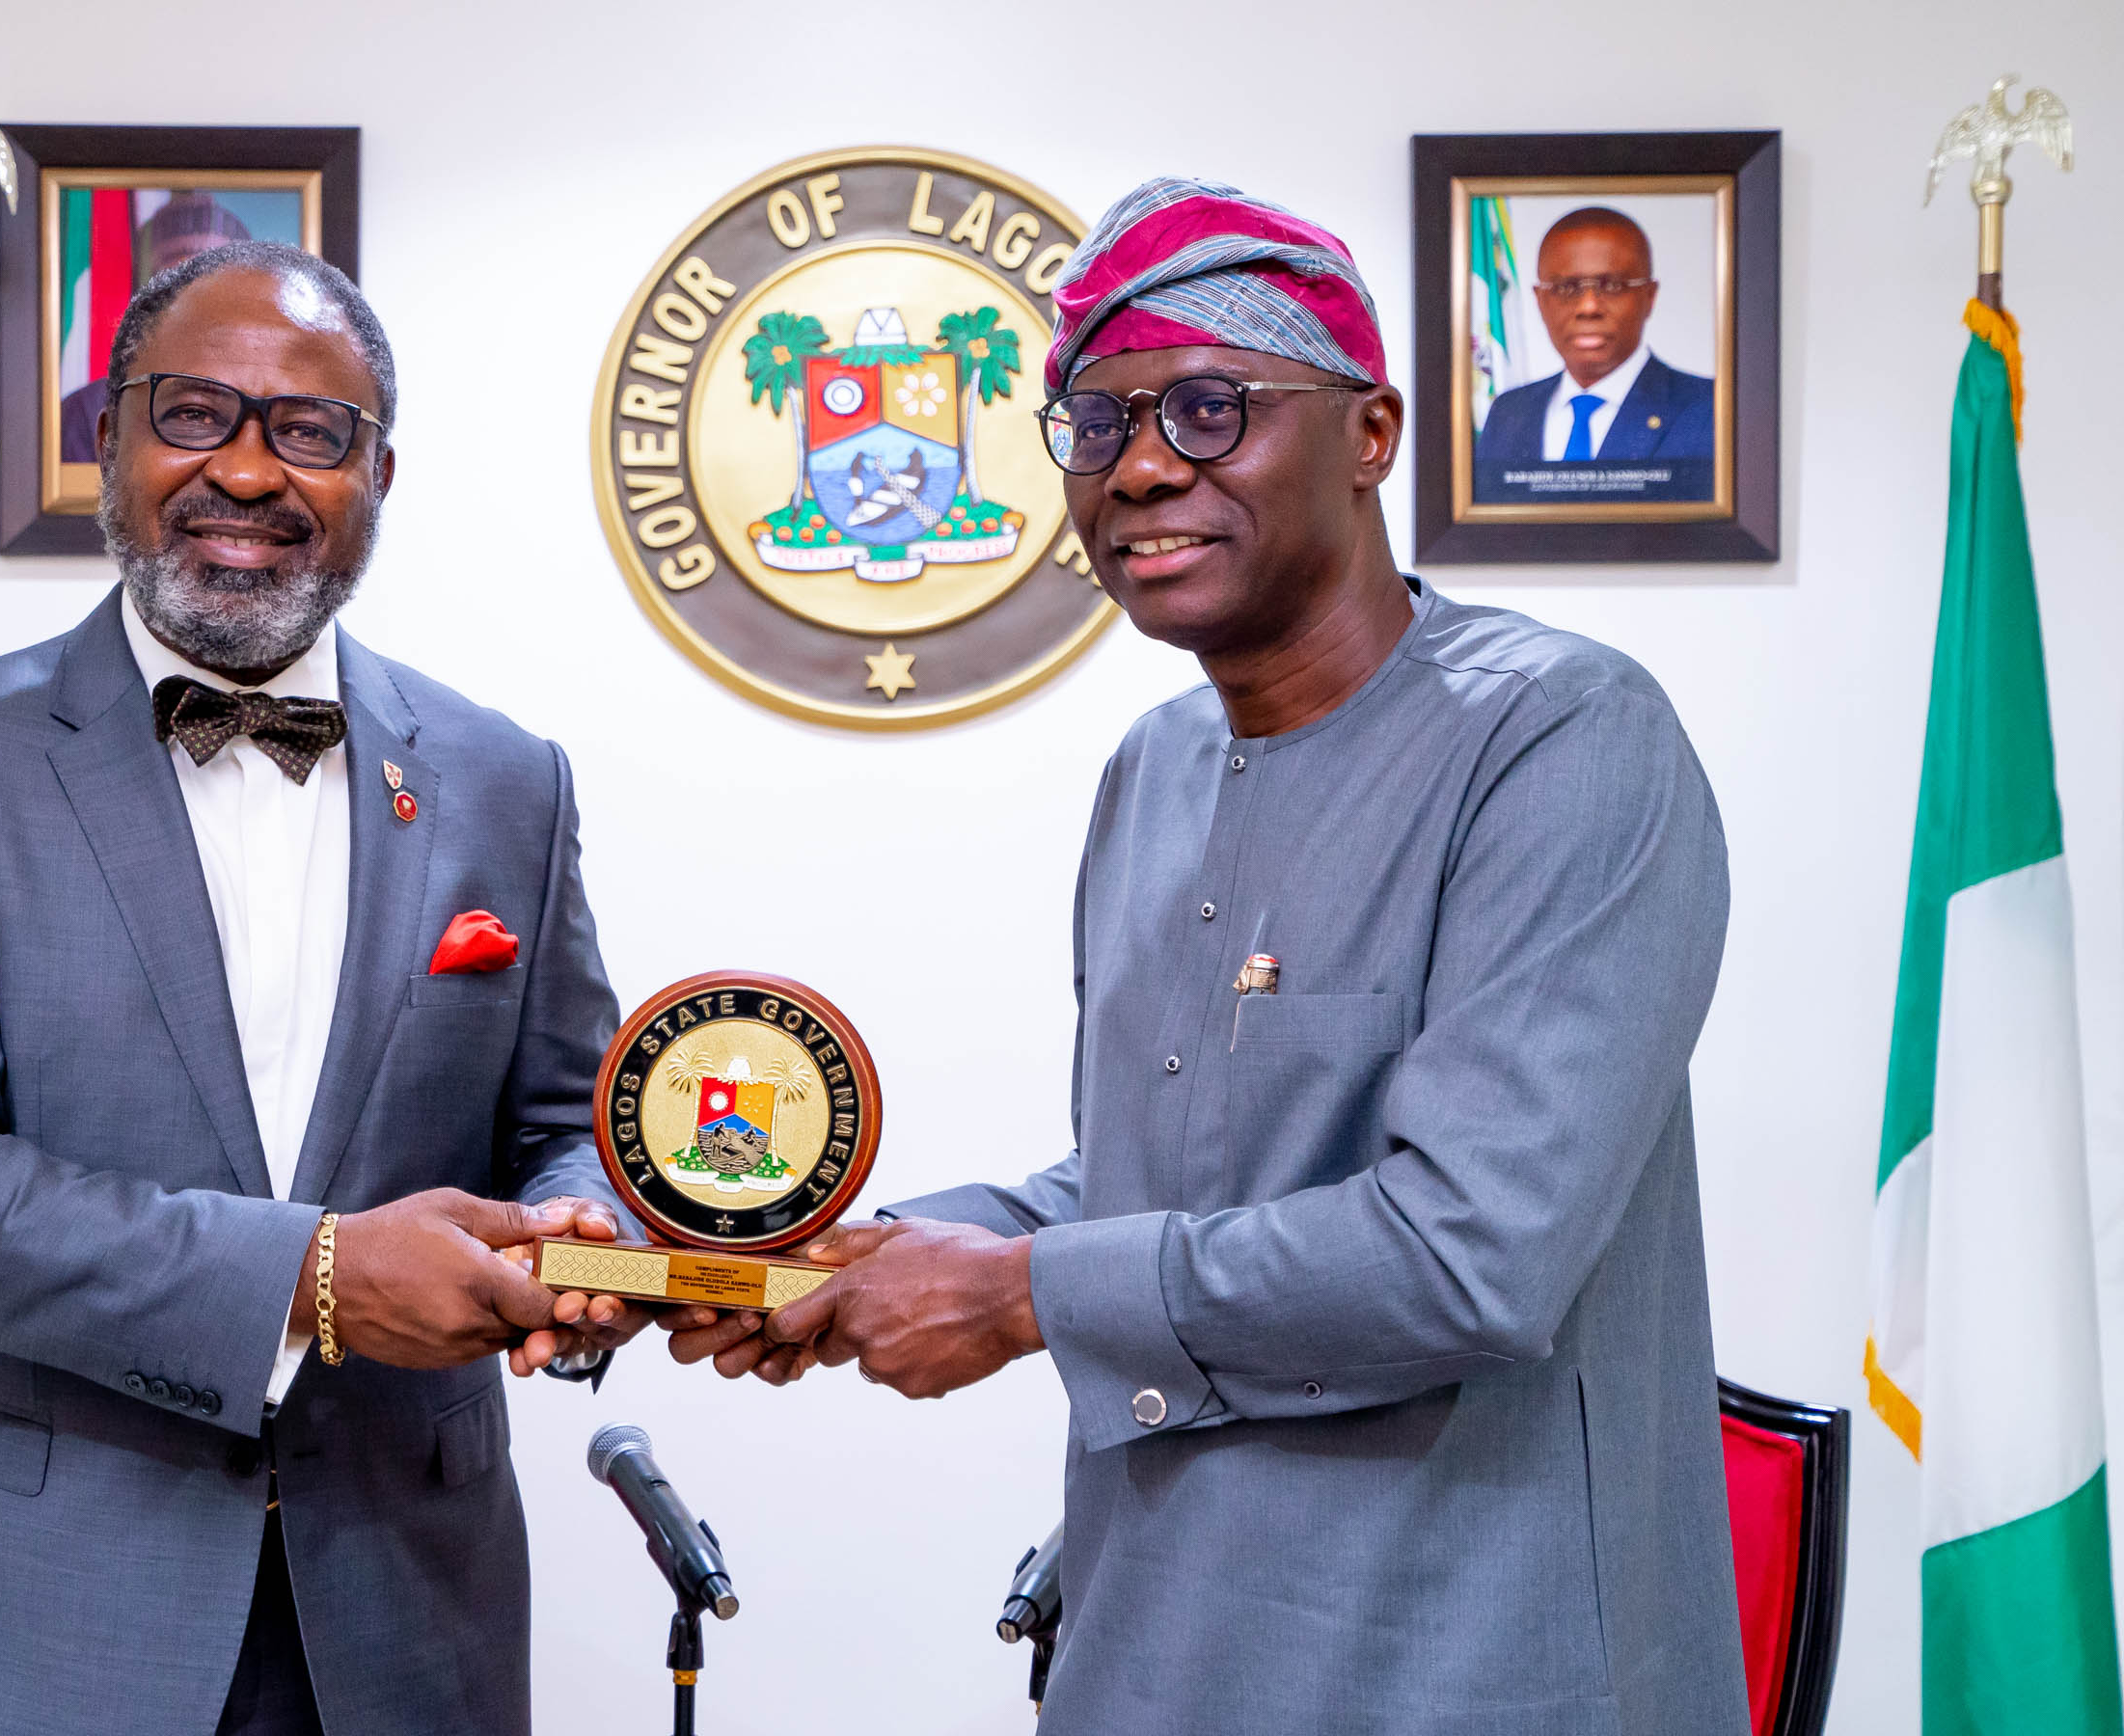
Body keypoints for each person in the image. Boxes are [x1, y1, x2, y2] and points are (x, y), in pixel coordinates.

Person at [670, 179, 1748, 1735]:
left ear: (1370, 433)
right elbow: (1149, 1184)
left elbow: (1472, 1253)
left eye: (1208, 405)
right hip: (1154, 1653)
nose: (1144, 467)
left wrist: (1021, 1292)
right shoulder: (1156, 769)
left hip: (1459, 1670)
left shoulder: (1564, 738)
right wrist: (857, 1253)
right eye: (1094, 425)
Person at [0, 240, 642, 1736]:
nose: (248, 471)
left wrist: (587, 1241)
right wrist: (311, 1275)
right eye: (195, 414)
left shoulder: (509, 780)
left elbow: (573, 1114)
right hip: (21, 1627)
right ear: (108, 440)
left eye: (310, 433)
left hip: (405, 1627)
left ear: (379, 475)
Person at [1473, 205, 1715, 502]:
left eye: (1611, 286)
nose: (1589, 307)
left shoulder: (1712, 410)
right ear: (1540, 300)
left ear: (1649, 296)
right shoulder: (1509, 413)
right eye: (1567, 287)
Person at [60, 192, 255, 462]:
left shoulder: (283, 408)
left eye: (219, 289)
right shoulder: (84, 412)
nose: (201, 308)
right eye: (179, 287)